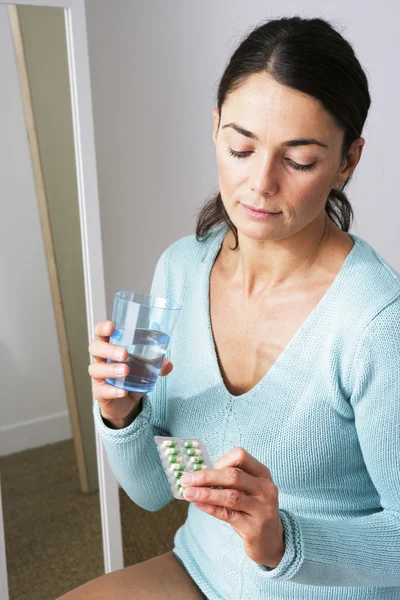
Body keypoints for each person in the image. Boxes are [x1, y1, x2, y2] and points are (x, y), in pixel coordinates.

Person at [59, 15, 400, 600]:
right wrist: (123, 415)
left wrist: (283, 540)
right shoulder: (180, 271)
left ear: (347, 161)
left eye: (298, 161)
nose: (259, 184)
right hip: (203, 571)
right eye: (241, 147)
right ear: (215, 129)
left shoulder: (376, 322)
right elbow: (152, 492)